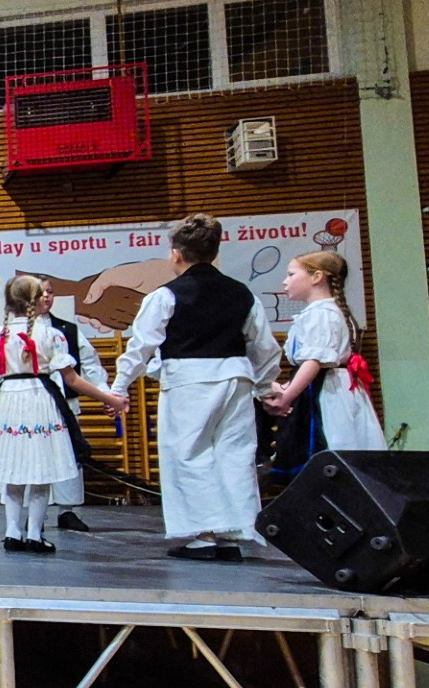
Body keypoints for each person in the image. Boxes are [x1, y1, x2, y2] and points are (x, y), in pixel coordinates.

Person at [109, 213, 282, 562]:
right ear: (215, 252)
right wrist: (265, 387)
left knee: (190, 454)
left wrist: (119, 387)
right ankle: (232, 534)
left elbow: (141, 347)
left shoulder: (165, 296)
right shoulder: (242, 294)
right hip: (236, 379)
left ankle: (204, 536)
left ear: (176, 254)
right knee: (235, 455)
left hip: (189, 381)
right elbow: (264, 347)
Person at [0, 276, 127, 555]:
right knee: (41, 468)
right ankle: (34, 535)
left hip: (9, 401)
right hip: (39, 397)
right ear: (36, 300)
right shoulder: (51, 334)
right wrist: (109, 398)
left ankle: (12, 531)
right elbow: (72, 379)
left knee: (13, 468)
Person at [263, 251, 385, 474]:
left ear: (317, 277)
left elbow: (314, 362)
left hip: (327, 394)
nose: (285, 281)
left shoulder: (321, 314)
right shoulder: (322, 312)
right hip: (325, 388)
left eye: (291, 274)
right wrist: (285, 388)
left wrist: (286, 396)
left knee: (329, 452)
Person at [40, 279, 109, 532]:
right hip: (33, 403)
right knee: (35, 456)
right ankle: (34, 512)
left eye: (50, 292)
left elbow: (89, 363)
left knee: (68, 456)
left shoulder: (67, 329)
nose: (46, 297)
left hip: (65, 402)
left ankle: (67, 510)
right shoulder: (15, 330)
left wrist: (105, 393)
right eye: (40, 292)